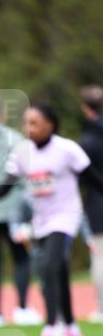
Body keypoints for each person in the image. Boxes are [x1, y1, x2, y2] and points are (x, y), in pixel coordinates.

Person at [0, 103, 103, 336]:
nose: (30, 128)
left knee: (48, 266)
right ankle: (72, 329)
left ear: (50, 124)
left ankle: (50, 329)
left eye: (35, 123)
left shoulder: (67, 149)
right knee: (58, 271)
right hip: (41, 220)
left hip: (66, 216)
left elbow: (93, 178)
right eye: (26, 123)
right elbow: (9, 181)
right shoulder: (22, 152)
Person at [0, 94, 36, 327]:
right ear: (1, 113)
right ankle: (22, 308)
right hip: (14, 210)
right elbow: (26, 174)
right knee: (21, 260)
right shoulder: (15, 138)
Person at [79, 85, 103, 323]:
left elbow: (83, 175)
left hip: (98, 203)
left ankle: (101, 308)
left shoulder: (87, 141)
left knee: (100, 256)